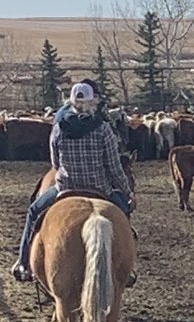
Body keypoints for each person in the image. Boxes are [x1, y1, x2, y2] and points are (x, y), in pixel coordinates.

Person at [12, 81, 137, 285]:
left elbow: (56, 163)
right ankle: (127, 268)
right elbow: (114, 168)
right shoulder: (103, 129)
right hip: (100, 188)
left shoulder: (58, 128)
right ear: (93, 102)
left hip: (65, 188)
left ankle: (23, 263)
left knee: (33, 212)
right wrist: (127, 192)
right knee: (124, 213)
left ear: (70, 102)